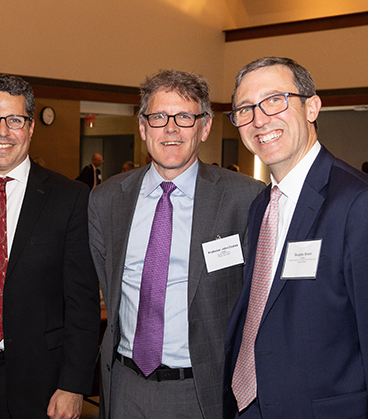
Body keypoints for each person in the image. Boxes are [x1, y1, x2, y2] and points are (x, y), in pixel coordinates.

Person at [223, 57, 368, 418]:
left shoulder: (364, 204)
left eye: (274, 100)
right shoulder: (261, 205)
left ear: (312, 106)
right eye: (245, 109)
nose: (259, 119)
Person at [89, 70, 264, 419]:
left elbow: (257, 302)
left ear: (205, 127)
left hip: (202, 391)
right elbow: (103, 281)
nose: (171, 128)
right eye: (158, 117)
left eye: (185, 117)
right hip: (125, 386)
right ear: (143, 127)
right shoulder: (106, 199)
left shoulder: (244, 199)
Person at [0, 74, 100, 419]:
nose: (3, 132)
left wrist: (73, 385)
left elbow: (81, 302)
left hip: (40, 380)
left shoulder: (68, 198)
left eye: (15, 120)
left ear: (31, 127)